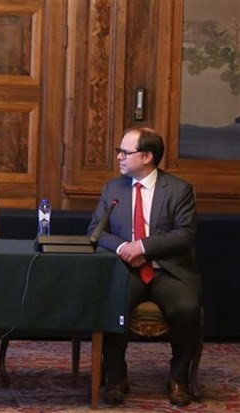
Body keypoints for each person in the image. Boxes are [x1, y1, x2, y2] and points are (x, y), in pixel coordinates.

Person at [87, 126, 201, 406]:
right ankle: (116, 377)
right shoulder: (113, 188)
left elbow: (185, 234)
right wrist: (125, 248)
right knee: (112, 305)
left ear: (147, 156)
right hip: (127, 270)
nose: (119, 158)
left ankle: (178, 379)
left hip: (167, 270)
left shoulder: (178, 190)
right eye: (119, 152)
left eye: (125, 152)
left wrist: (144, 247)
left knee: (187, 309)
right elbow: (96, 230)